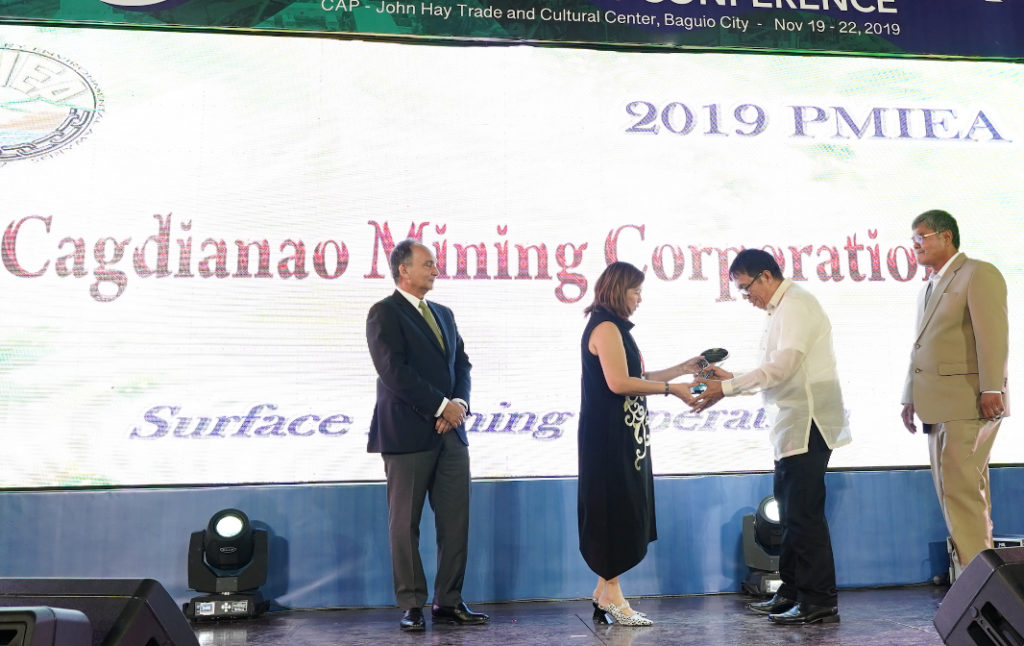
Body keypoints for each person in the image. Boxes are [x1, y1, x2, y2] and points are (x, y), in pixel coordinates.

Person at [692, 249, 851, 625]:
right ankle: (791, 592)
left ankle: (819, 600)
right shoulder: (779, 310)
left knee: (804, 516)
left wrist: (726, 388)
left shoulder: (796, 305)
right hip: (791, 426)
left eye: (746, 288)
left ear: (765, 276)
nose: (746, 297)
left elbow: (782, 368)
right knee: (792, 515)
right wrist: (729, 379)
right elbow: (773, 371)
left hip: (808, 423)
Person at [366, 239, 488, 631]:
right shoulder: (384, 312)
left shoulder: (444, 314)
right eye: (428, 264)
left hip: (451, 434)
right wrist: (439, 406)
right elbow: (393, 371)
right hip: (407, 434)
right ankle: (412, 604)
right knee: (405, 525)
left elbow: (462, 364)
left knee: (455, 523)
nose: (436, 270)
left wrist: (459, 405)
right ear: (403, 269)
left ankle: (448, 602)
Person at [578, 261, 705, 627]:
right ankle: (613, 594)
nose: (639, 298)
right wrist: (672, 390)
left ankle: (603, 591)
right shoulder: (605, 327)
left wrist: (682, 369)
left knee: (622, 505)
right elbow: (619, 383)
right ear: (619, 290)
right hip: (608, 438)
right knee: (613, 509)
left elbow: (637, 376)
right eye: (636, 291)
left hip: (623, 436)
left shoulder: (615, 328)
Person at [900, 209, 1009, 578]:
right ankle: (972, 581)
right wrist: (910, 395)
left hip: (968, 401)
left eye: (921, 236)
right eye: (913, 238)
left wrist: (992, 387)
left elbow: (992, 335)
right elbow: (919, 348)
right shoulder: (928, 287)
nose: (915, 244)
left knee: (963, 495)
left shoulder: (978, 273)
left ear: (946, 236)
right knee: (952, 495)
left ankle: (980, 586)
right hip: (936, 405)